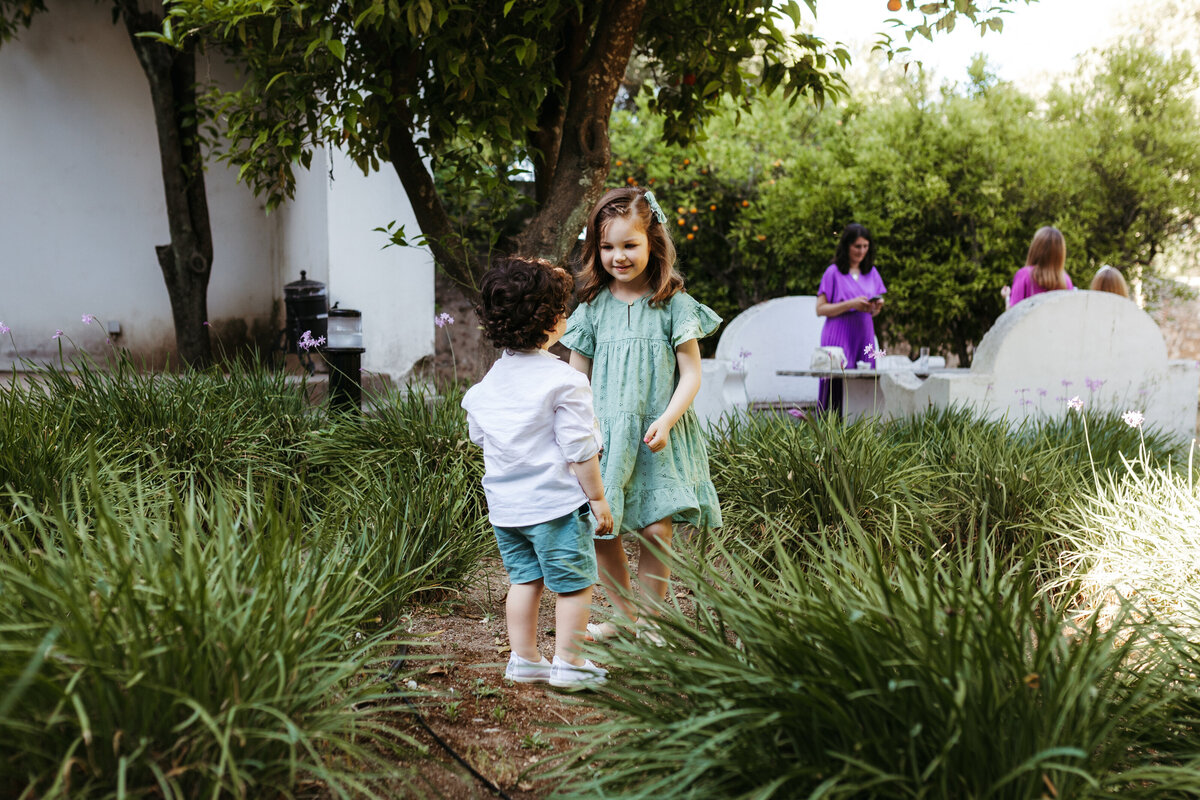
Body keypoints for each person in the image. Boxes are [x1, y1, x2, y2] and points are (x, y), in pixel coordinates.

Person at [561, 187, 723, 642]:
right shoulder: (592, 309)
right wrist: (582, 430)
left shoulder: (672, 303)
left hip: (658, 432)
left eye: (629, 245)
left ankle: (652, 621)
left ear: (653, 241)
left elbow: (691, 373)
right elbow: (577, 382)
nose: (619, 256)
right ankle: (626, 617)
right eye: (607, 247)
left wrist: (668, 419)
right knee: (603, 528)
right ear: (595, 249)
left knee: (656, 528)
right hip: (607, 436)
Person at [462, 256, 614, 689]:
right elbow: (580, 450)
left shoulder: (488, 383)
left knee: (523, 581)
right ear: (551, 322)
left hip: (507, 510)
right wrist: (598, 499)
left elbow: (479, 434)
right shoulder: (563, 380)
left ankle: (525, 658)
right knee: (573, 585)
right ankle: (569, 663)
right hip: (554, 507)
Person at [815, 223, 886, 414]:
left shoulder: (872, 273)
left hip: (864, 334)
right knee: (836, 385)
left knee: (865, 383)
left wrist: (875, 307)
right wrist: (851, 304)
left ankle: (861, 435)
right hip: (838, 335)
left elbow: (873, 312)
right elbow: (820, 309)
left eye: (865, 246)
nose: (861, 251)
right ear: (846, 246)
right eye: (857, 246)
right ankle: (830, 432)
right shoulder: (833, 272)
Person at [1006, 226, 1073, 306]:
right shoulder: (1066, 281)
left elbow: (1013, 313)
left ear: (1035, 248)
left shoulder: (1024, 275)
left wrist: (1007, 297)